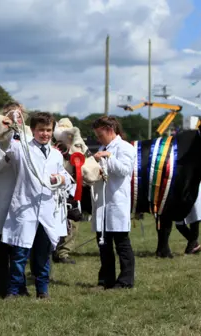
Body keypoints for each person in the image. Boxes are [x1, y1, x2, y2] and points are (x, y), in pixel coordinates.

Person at [1, 111, 74, 299]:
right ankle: (14, 290)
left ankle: (42, 290)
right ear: (32, 130)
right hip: (25, 208)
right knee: (20, 254)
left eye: (48, 130)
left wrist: (60, 178)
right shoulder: (22, 148)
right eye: (41, 130)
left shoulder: (57, 155)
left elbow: (66, 177)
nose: (45, 134)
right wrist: (15, 123)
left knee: (43, 254)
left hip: (47, 210)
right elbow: (10, 148)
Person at [0, 101, 27, 298]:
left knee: (21, 246)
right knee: (2, 246)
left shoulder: (28, 138)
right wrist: (7, 158)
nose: (15, 120)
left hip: (24, 198)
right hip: (2, 197)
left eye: (19, 116)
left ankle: (19, 286)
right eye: (11, 117)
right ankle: (2, 287)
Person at [90, 116, 136, 289]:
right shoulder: (104, 147)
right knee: (104, 245)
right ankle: (105, 280)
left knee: (122, 245)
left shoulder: (125, 147)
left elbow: (125, 170)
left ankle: (125, 281)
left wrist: (108, 157)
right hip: (102, 202)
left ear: (110, 130)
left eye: (100, 134)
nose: (98, 139)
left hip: (117, 202)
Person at [175, 182, 201, 254]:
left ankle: (189, 250)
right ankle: (196, 246)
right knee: (179, 224)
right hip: (181, 191)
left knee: (194, 222)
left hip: (194, 191)